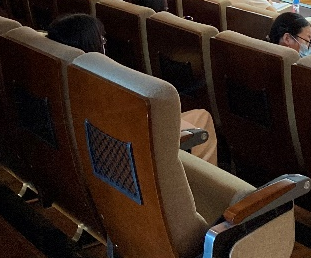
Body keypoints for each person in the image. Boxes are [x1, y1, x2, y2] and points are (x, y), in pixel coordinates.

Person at [46, 13, 217, 165]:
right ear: (91, 47)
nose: (104, 44)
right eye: (102, 40)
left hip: (107, 149)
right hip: (133, 150)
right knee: (200, 127)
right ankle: (206, 186)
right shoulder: (100, 83)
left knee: (199, 117)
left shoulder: (60, 78)